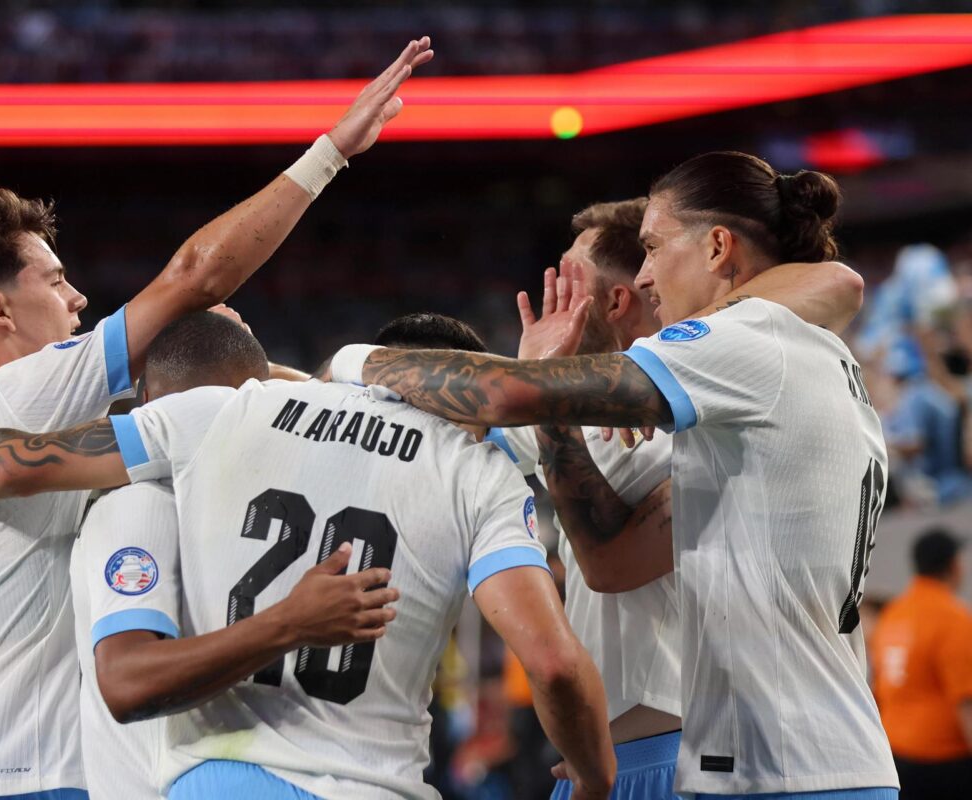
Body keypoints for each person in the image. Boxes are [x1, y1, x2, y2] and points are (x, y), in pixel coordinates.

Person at [0, 37, 435, 800]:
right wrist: (330, 153)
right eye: (55, 279)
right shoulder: (22, 391)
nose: (78, 299)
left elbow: (215, 386)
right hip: (17, 779)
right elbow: (194, 277)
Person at [327, 151, 899, 799]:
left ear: (717, 246)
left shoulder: (747, 340)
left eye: (653, 247)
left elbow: (505, 395)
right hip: (797, 754)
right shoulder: (796, 355)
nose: (648, 273)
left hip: (776, 766)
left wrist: (356, 361)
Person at [0, 313, 618, 800]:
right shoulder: (478, 471)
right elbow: (552, 662)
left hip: (220, 778)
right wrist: (591, 775)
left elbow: (14, 466)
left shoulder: (233, 413)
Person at [489, 198, 865, 800]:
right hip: (610, 756)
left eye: (566, 278)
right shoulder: (592, 414)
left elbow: (839, 283)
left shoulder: (704, 414)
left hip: (679, 753)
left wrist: (546, 395)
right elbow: (455, 423)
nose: (549, 294)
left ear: (615, 301)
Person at [59, 312, 400, 798]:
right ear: (149, 409)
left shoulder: (256, 516)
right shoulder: (144, 504)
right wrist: (290, 623)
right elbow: (126, 680)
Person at [871, 528, 972, 799]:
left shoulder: (893, 612)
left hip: (894, 754)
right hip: (942, 762)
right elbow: (966, 702)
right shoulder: (953, 618)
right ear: (953, 565)